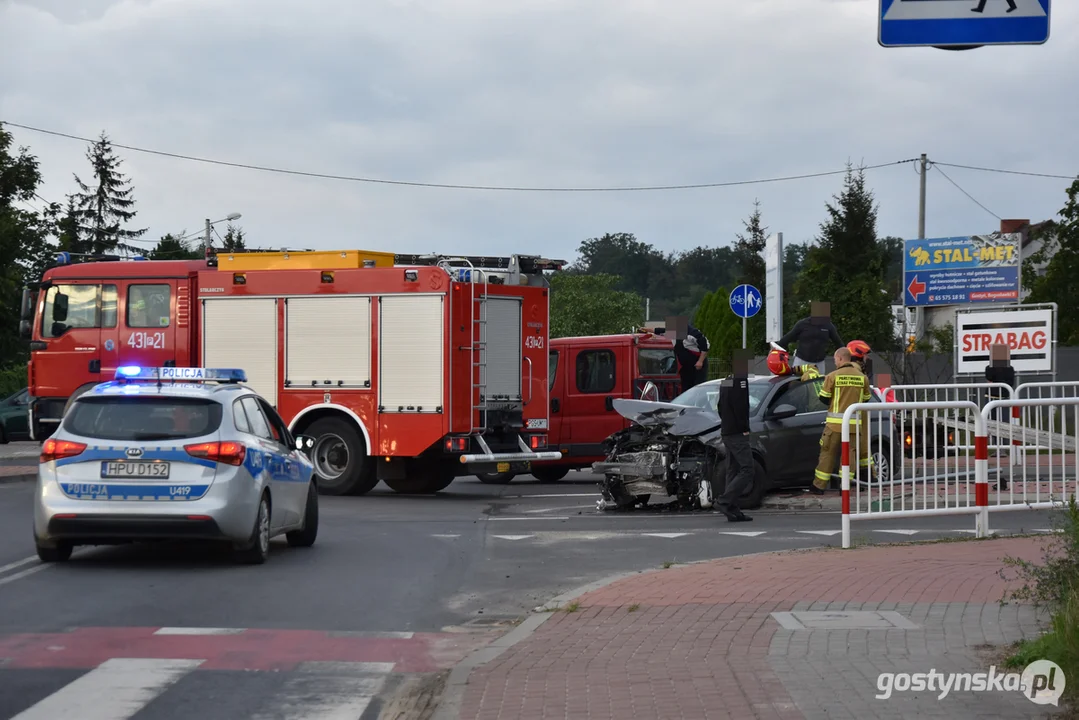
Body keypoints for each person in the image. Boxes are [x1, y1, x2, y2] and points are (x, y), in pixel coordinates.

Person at [811, 347, 873, 494]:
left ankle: (819, 486)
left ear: (839, 358)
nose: (835, 362)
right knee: (849, 456)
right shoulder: (862, 377)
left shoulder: (832, 376)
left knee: (827, 453)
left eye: (835, 360)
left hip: (834, 425)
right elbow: (866, 399)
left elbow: (824, 398)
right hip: (853, 426)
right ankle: (844, 487)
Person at [716, 358, 753, 522]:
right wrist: (744, 427)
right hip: (737, 432)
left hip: (726, 431)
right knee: (747, 469)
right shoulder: (741, 381)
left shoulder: (726, 381)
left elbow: (720, 407)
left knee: (732, 469)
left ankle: (732, 509)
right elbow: (741, 407)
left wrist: (727, 424)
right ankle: (725, 501)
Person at [772, 307, 844, 374]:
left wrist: (846, 355)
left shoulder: (828, 326)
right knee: (795, 382)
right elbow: (788, 337)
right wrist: (776, 348)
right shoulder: (802, 324)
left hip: (819, 362)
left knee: (819, 384)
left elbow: (838, 342)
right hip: (801, 360)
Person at [675, 324, 710, 394]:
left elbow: (705, 346)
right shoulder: (676, 333)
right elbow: (661, 331)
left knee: (698, 387)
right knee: (685, 388)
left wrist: (700, 361)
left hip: (697, 365)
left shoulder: (693, 334)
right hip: (685, 367)